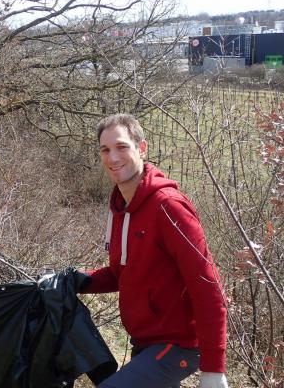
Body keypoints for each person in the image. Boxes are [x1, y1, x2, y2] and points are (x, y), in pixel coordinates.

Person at [78, 114, 228, 388]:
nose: (112, 158)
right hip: (145, 341)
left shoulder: (168, 207)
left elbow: (208, 287)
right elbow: (121, 273)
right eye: (105, 150)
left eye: (121, 147)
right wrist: (77, 279)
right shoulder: (120, 207)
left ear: (142, 148)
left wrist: (214, 369)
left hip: (178, 344)